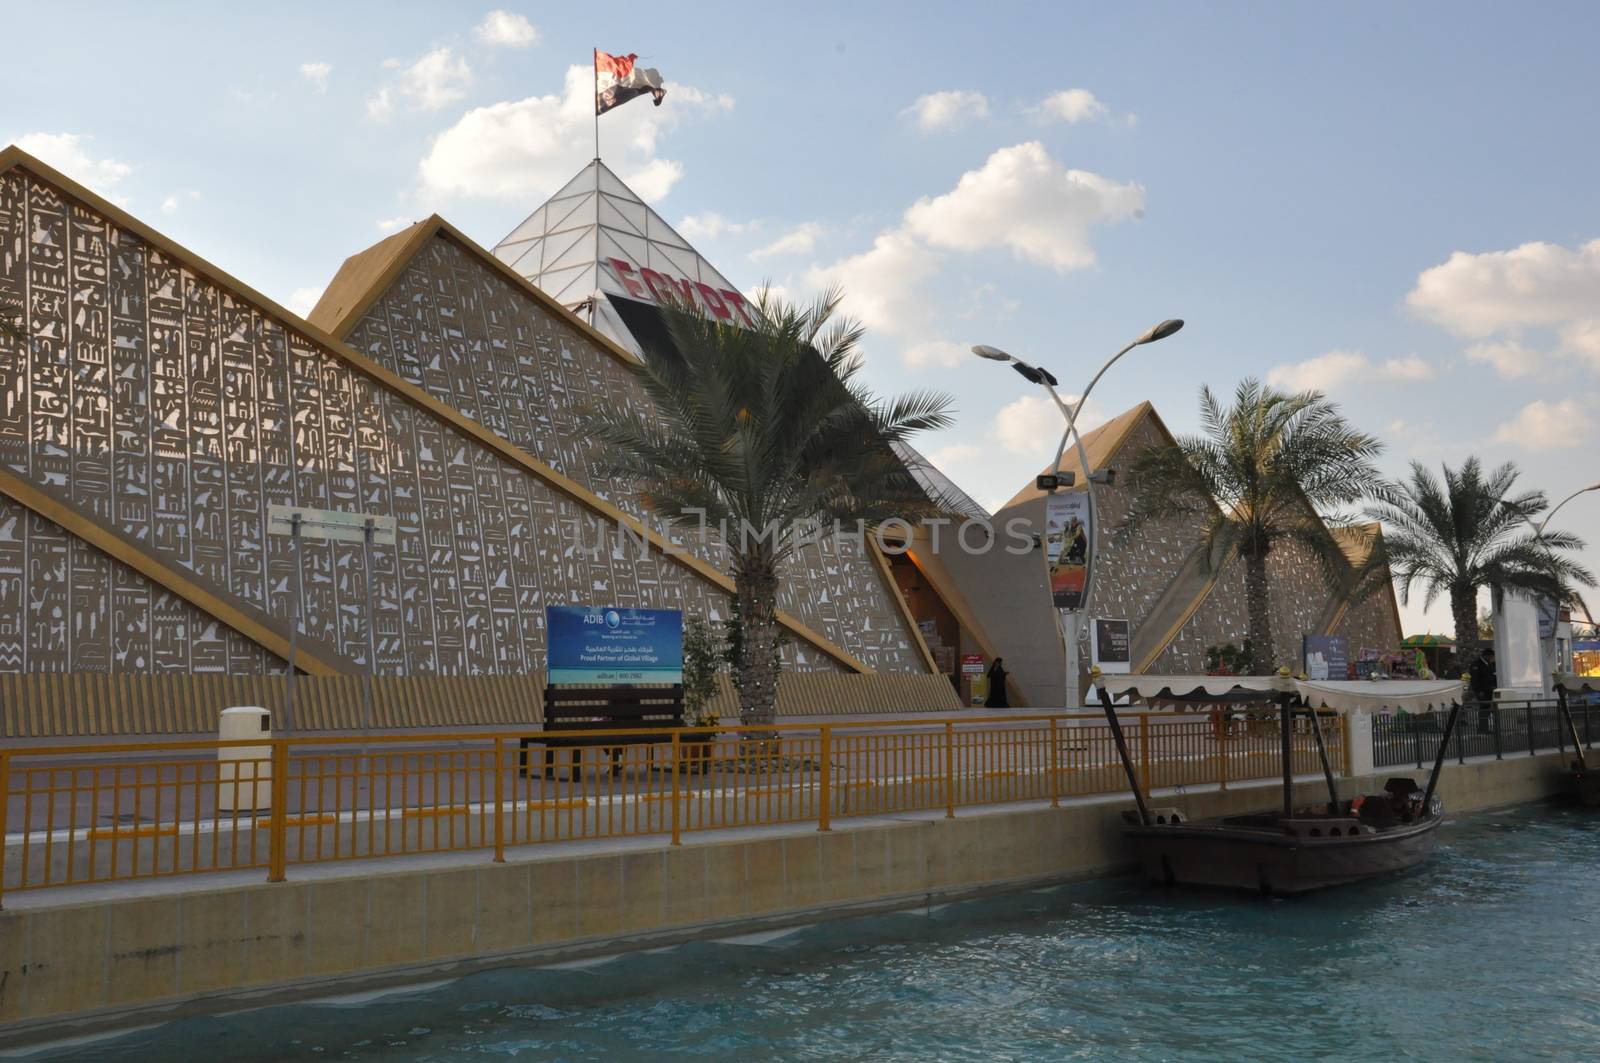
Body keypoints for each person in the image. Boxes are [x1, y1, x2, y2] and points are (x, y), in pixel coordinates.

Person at [1471, 647, 1497, 734]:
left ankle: (1484, 728)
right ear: (1486, 656)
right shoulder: (1477, 664)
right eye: (1491, 657)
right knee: (1483, 710)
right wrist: (1478, 691)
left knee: (1487, 710)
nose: (1492, 658)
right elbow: (1475, 679)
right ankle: (1482, 729)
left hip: (1489, 691)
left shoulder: (1489, 664)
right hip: (1482, 692)